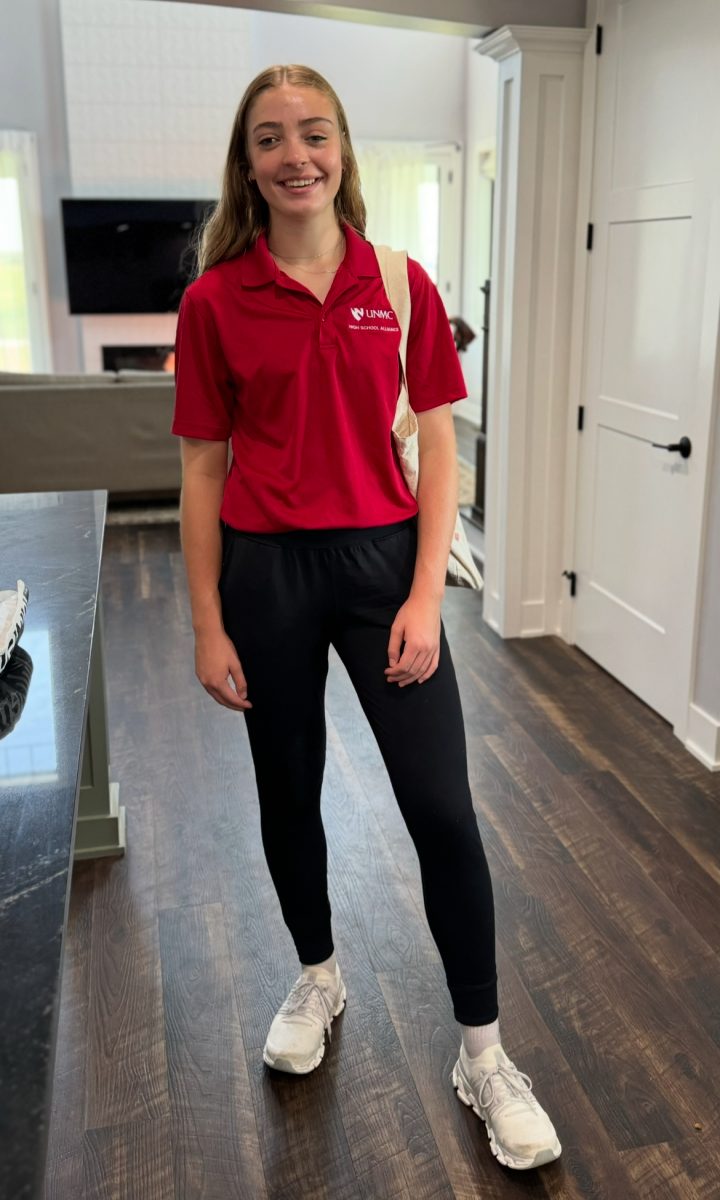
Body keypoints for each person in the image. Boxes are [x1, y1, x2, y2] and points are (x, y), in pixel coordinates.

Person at [171, 63, 561, 1173]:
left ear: (343, 148)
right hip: (266, 576)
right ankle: (318, 974)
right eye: (270, 138)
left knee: (442, 808)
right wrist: (207, 620)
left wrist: (429, 591)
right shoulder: (214, 301)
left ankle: (483, 1054)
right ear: (246, 164)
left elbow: (437, 443)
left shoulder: (401, 280)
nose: (296, 155)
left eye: (314, 133)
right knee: (288, 792)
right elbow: (203, 470)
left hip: (384, 567)